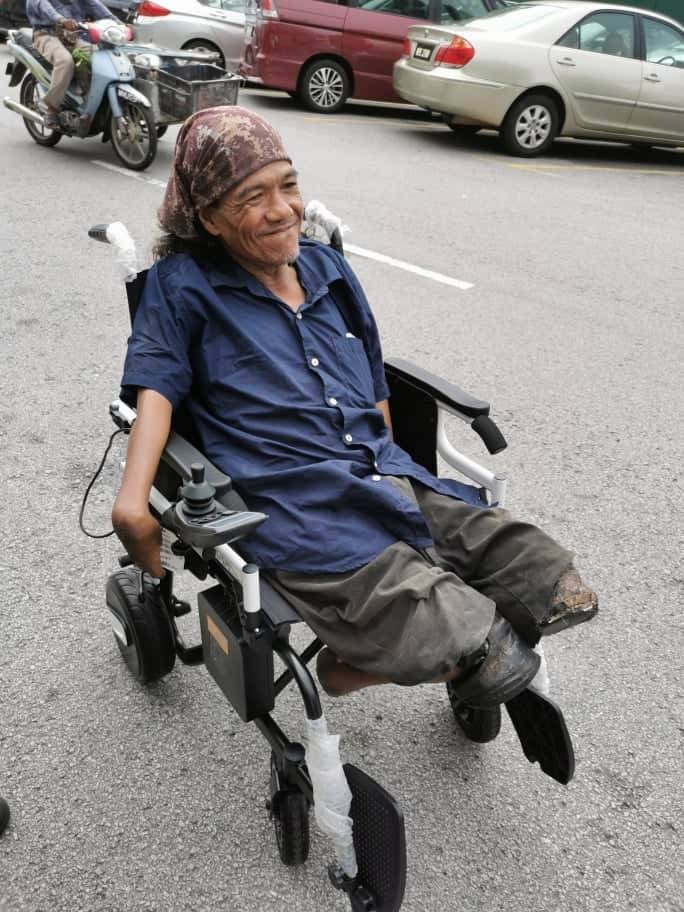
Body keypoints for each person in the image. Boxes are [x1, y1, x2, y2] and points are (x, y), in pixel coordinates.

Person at [112, 106, 598, 707]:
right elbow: (155, 392)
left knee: (550, 581)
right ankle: (353, 668)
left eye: (288, 185)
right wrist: (133, 503)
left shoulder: (327, 267)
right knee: (479, 646)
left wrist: (391, 468)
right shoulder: (182, 286)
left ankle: (402, 643)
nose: (281, 209)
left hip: (382, 474)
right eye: (252, 197)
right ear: (210, 218)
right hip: (298, 508)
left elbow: (372, 376)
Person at [26, 0, 116, 128]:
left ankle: (88, 98)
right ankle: (52, 108)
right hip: (46, 35)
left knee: (96, 56)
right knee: (65, 61)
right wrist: (61, 20)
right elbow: (44, 7)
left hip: (72, 35)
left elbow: (94, 5)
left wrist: (118, 23)